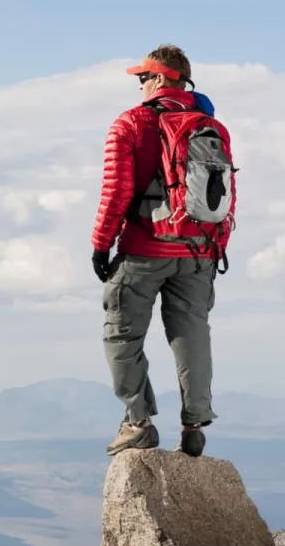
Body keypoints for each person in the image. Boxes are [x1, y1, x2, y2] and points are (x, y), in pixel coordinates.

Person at [90, 44, 232, 457]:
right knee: (192, 334)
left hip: (143, 250)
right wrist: (214, 246)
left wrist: (102, 244)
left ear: (160, 79)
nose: (139, 86)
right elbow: (226, 196)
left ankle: (138, 422)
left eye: (142, 78)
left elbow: (116, 191)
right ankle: (194, 426)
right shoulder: (212, 127)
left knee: (122, 334)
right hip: (199, 251)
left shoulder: (131, 123)